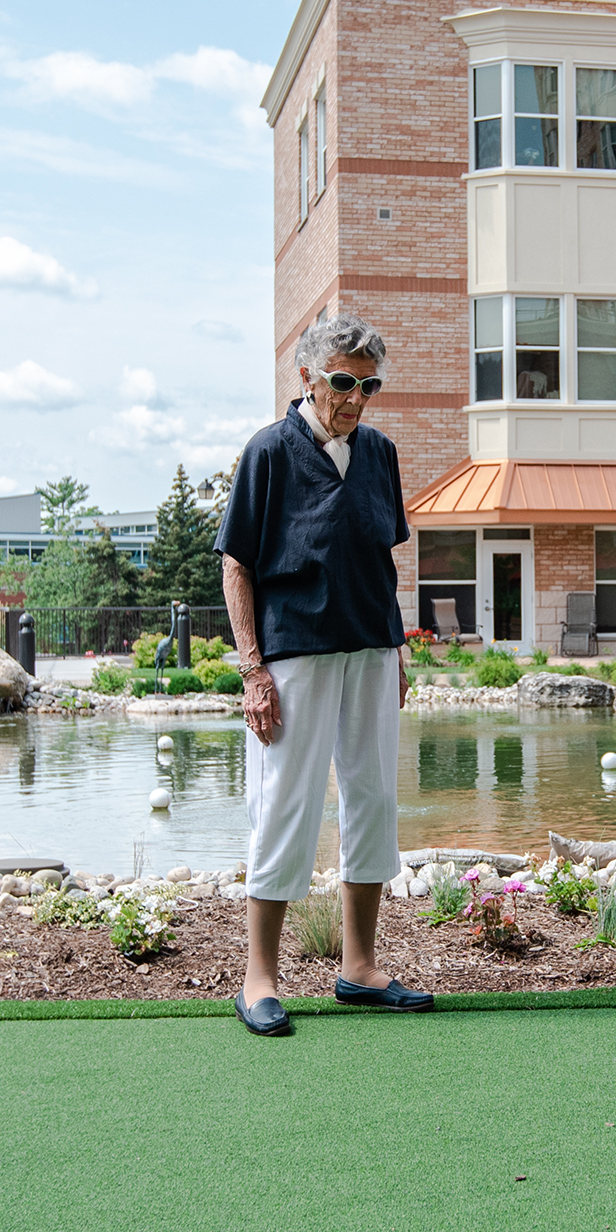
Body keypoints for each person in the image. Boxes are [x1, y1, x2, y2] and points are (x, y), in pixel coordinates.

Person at [216, 312, 427, 1037]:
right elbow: (236, 563)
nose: (356, 398)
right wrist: (252, 670)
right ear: (307, 377)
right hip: (293, 652)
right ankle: (259, 979)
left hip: (370, 646)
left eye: (369, 386)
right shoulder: (268, 453)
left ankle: (360, 969)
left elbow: (379, 559)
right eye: (343, 382)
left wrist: (395, 646)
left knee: (372, 798)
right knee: (285, 805)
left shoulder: (381, 454)